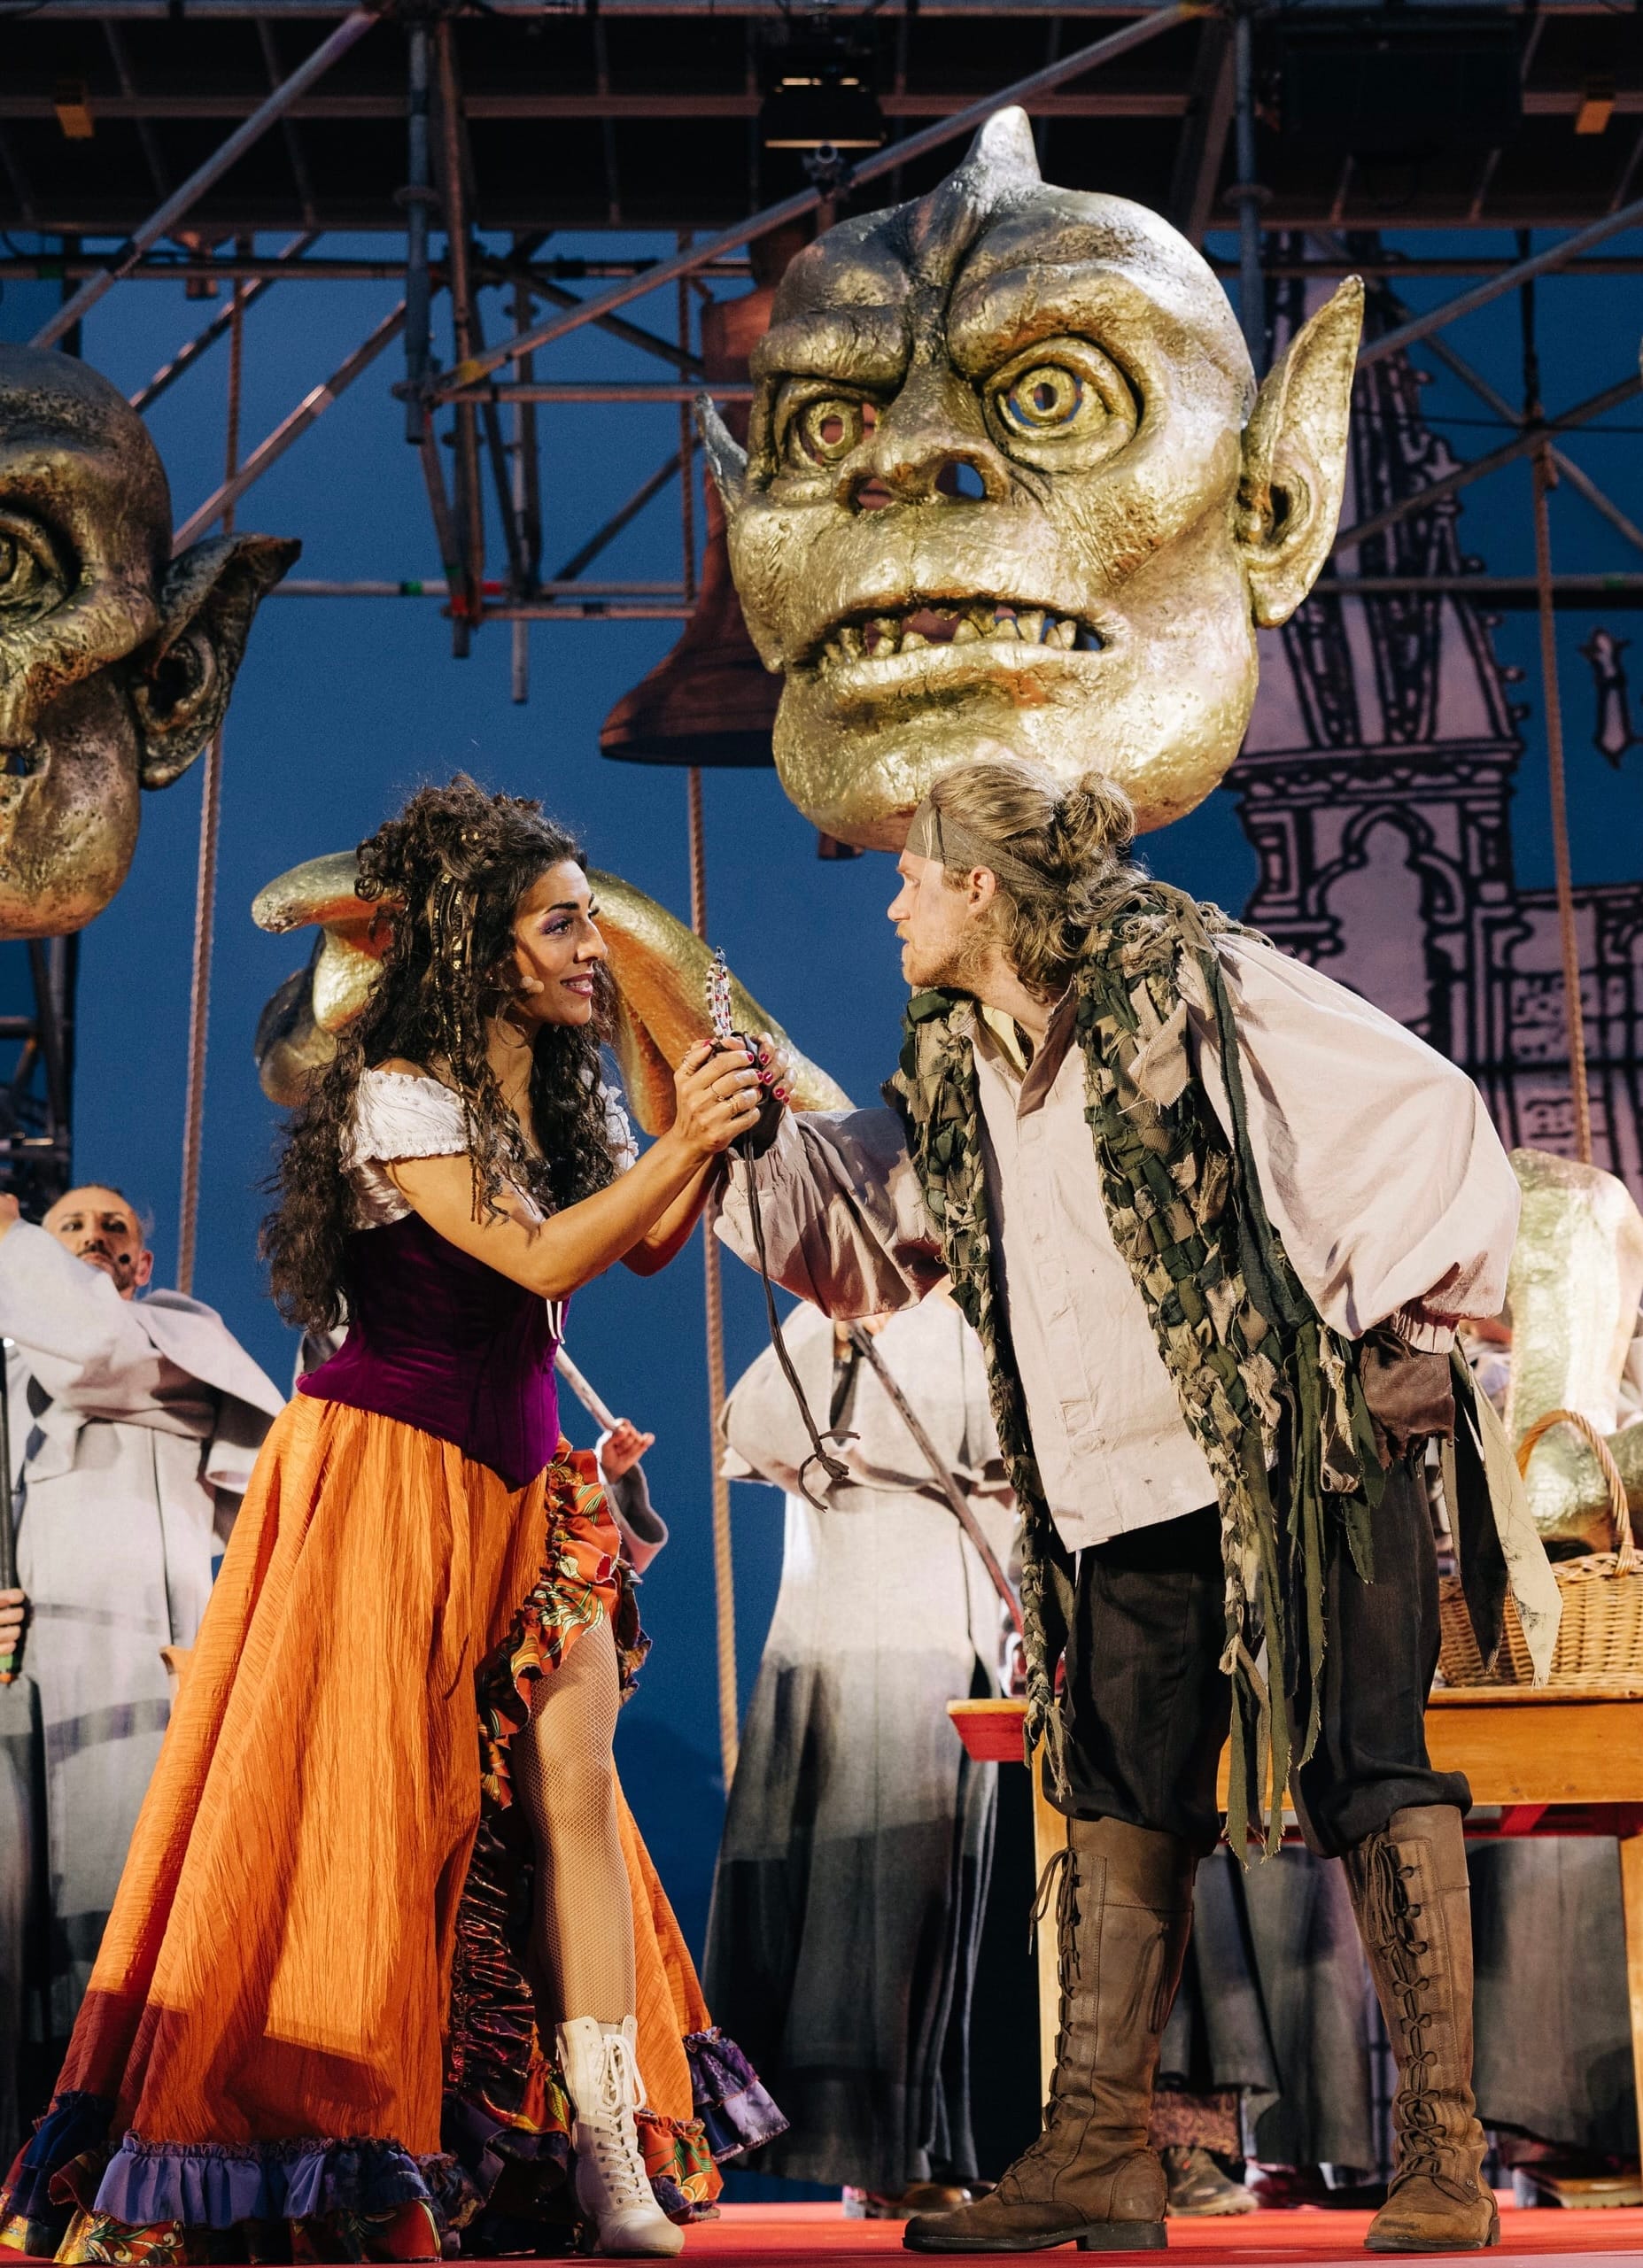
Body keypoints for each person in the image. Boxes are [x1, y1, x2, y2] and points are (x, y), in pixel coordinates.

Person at [714, 753, 1541, 2257]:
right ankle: (1100, 2149)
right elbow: (869, 1241)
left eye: (911, 876)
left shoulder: (1192, 982)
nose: (892, 904)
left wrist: (1394, 1338)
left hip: (1291, 1458)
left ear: (980, 886)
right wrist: (736, 1129)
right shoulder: (960, 1061)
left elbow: (1422, 1107)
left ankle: (1442, 2153)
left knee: (1366, 1768)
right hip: (1116, 1484)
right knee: (1117, 1796)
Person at [0, 778, 783, 2266]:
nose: (590, 948)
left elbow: (632, 1245)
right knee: (381, 1806)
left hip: (527, 1485)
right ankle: (354, 2131)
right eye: (561, 926)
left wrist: (702, 1128)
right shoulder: (398, 1094)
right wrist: (679, 1144)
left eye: (587, 923)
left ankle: (610, 2152)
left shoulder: (553, 1096)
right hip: (390, 1479)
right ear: (481, 944)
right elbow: (537, 1254)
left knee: (575, 1794)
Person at [704, 1296, 1014, 2211]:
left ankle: (926, 2139)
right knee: (862, 1893)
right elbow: (750, 1426)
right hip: (852, 1620)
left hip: (953, 1621)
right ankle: (875, 2152)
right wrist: (845, 1336)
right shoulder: (830, 1315)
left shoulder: (973, 1311)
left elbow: (998, 1453)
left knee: (932, 1897)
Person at [0, 1183, 284, 2097]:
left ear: (141, 1261)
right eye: (69, 1224)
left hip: (161, 1659)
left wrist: (13, 1241)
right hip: (30, 1672)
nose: (92, 1234)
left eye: (112, 1223)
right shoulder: (7, 1376)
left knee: (144, 1898)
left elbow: (99, 1350)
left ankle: (136, 2132)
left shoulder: (178, 1334)